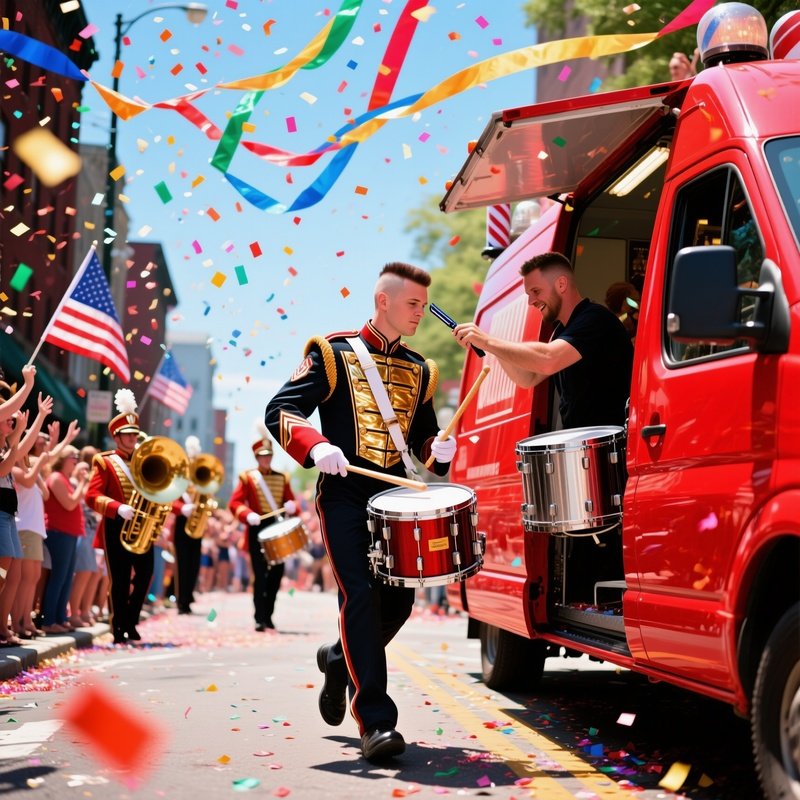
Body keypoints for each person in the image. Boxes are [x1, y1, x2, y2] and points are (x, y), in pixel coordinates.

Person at [265, 261, 457, 763]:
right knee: (362, 596)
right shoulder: (332, 353)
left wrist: (440, 449)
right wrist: (315, 446)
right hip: (345, 493)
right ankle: (375, 720)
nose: (421, 313)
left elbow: (420, 442)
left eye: (423, 304)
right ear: (384, 301)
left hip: (393, 501)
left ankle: (336, 659)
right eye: (413, 304)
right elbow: (280, 411)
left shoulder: (421, 368)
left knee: (398, 605)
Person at [453, 251, 633, 429]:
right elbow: (528, 378)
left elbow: (548, 359)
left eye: (535, 291)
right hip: (585, 444)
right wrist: (492, 347)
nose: (531, 301)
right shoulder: (562, 330)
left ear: (561, 284)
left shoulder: (594, 318)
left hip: (611, 444)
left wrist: (487, 341)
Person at [85, 389, 153, 645]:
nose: (133, 438)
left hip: (143, 527)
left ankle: (131, 620)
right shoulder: (104, 462)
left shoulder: (146, 460)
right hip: (116, 527)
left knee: (145, 575)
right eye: (127, 435)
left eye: (135, 434)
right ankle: (119, 627)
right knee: (120, 579)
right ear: (116, 436)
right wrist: (116, 508)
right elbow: (92, 496)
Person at [228, 435, 298, 631]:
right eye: (262, 456)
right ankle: (259, 617)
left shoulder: (282, 477)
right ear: (257, 457)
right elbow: (234, 503)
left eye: (269, 455)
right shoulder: (247, 477)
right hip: (257, 528)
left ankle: (269, 615)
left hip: (278, 528)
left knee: (276, 574)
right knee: (260, 575)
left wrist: (292, 506)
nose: (266, 459)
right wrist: (247, 514)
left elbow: (291, 502)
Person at [40, 445, 90, 634]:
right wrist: (82, 484)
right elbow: (69, 504)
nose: (76, 459)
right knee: (59, 577)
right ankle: (49, 620)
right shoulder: (56, 478)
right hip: (58, 532)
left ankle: (60, 618)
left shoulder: (66, 479)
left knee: (67, 578)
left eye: (77, 455)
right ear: (62, 458)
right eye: (73, 456)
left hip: (69, 534)